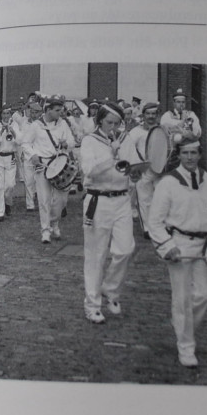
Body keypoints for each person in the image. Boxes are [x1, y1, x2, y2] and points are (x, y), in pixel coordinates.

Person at [146, 138, 207, 367]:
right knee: (182, 299)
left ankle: (181, 325)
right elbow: (154, 222)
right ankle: (186, 347)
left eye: (194, 152)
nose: (190, 157)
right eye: (185, 153)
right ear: (179, 155)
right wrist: (168, 246)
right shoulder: (168, 183)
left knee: (206, 295)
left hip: (203, 246)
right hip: (179, 245)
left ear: (200, 154)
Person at [79, 101, 135, 322]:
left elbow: (132, 165)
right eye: (109, 122)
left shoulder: (125, 139)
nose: (113, 127)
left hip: (122, 199)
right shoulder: (89, 141)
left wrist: (136, 173)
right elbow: (89, 171)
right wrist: (111, 155)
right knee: (96, 255)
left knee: (125, 249)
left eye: (117, 123)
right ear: (100, 120)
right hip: (98, 200)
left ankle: (110, 289)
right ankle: (92, 304)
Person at [21, 98, 77, 243]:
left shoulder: (63, 124)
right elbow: (25, 143)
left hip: (59, 164)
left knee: (61, 200)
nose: (61, 113)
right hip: (42, 165)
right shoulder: (36, 126)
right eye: (57, 110)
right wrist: (33, 155)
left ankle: (55, 222)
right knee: (44, 199)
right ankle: (45, 230)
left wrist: (66, 143)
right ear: (48, 110)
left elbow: (72, 141)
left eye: (61, 110)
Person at [118, 99, 162, 228]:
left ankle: (158, 225)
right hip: (143, 170)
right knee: (144, 200)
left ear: (157, 115)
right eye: (148, 113)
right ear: (143, 115)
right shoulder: (135, 132)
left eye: (154, 113)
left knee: (160, 199)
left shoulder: (161, 130)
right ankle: (148, 228)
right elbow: (127, 151)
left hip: (160, 170)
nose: (151, 116)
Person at [0, 105, 20, 220]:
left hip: (10, 157)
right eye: (3, 114)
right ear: (1, 115)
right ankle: (0, 213)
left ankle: (8, 203)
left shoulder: (15, 124)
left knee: (10, 185)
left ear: (10, 114)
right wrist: (1, 131)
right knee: (0, 186)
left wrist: (13, 132)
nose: (6, 116)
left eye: (7, 113)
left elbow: (20, 141)